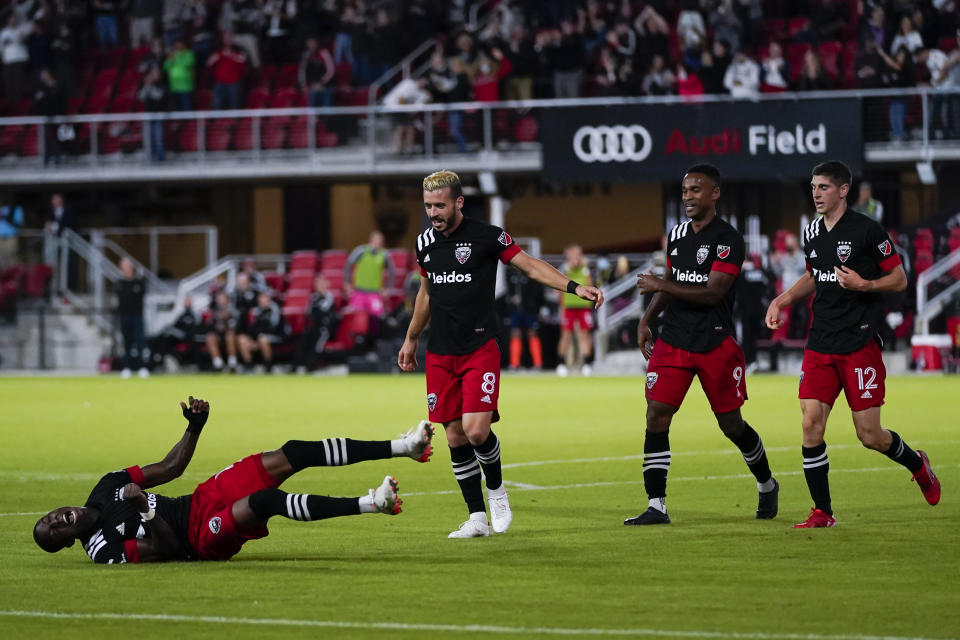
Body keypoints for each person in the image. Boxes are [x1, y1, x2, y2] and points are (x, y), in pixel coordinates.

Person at [398, 170, 604, 538]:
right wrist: (412, 337)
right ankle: (476, 519)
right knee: (455, 436)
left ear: (458, 202)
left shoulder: (488, 236)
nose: (433, 213)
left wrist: (574, 287)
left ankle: (496, 491)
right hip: (441, 352)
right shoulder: (425, 243)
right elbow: (426, 294)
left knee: (477, 432)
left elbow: (529, 264)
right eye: (428, 206)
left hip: (478, 347)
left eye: (440, 205)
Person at [32, 396, 436, 563]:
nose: (56, 519)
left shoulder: (104, 486)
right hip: (198, 539)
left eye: (50, 516)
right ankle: (371, 503)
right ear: (66, 542)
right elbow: (165, 550)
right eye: (53, 531)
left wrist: (195, 428)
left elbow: (169, 469)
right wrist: (143, 509)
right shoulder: (102, 549)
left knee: (292, 452)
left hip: (198, 500)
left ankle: (404, 447)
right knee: (263, 501)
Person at [764, 160, 941, 528]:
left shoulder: (867, 230)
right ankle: (822, 512)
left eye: (823, 187)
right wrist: (782, 300)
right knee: (811, 423)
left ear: (843, 190)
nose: (816, 193)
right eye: (813, 187)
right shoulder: (813, 231)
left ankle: (917, 464)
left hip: (858, 342)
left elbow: (899, 278)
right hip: (820, 342)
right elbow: (815, 275)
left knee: (870, 435)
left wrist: (866, 286)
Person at [630, 163, 779, 526]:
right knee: (656, 414)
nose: (688, 197)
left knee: (731, 425)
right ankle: (656, 505)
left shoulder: (729, 239)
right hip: (674, 339)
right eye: (684, 191)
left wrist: (660, 286)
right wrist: (647, 320)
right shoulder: (678, 233)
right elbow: (671, 278)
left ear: (715, 193)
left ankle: (766, 483)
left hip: (714, 342)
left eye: (696, 190)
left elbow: (713, 292)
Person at [556, 244, 595, 377]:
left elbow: (590, 284)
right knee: (566, 335)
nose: (577, 257)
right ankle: (561, 363)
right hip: (569, 306)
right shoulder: (565, 268)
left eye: (579, 254)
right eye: (575, 254)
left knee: (584, 335)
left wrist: (585, 267)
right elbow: (557, 286)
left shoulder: (585, 269)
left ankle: (586, 363)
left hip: (583, 307)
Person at [344, 230, 395, 320]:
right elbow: (348, 264)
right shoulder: (361, 251)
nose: (378, 242)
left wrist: (388, 288)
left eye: (380, 240)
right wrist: (347, 283)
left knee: (377, 318)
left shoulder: (384, 254)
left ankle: (375, 334)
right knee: (357, 319)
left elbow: (392, 271)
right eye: (376, 240)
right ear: (371, 240)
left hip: (374, 293)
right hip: (359, 292)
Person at [294, 274, 339, 373]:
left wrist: (316, 311)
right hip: (314, 325)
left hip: (325, 327)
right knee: (303, 341)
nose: (320, 286)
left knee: (317, 345)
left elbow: (323, 310)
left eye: (322, 283)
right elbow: (309, 312)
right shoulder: (313, 297)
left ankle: (312, 366)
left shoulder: (329, 296)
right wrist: (315, 311)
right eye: (318, 284)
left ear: (326, 285)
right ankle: (298, 366)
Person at [238, 290, 287, 372]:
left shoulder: (275, 311)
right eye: (261, 298)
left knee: (263, 339)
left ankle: (268, 365)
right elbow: (252, 328)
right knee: (242, 339)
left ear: (269, 299)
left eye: (265, 297)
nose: (262, 300)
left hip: (276, 336)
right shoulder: (256, 312)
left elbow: (273, 328)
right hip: (258, 337)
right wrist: (253, 340)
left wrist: (258, 339)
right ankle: (249, 365)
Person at [117, 258, 150, 379]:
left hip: (137, 317)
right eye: (124, 266)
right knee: (127, 343)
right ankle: (127, 367)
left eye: (128, 265)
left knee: (139, 341)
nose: (126, 268)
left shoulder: (139, 283)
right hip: (124, 317)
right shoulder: (119, 283)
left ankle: (142, 367)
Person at [205, 291, 239, 371]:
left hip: (231, 336)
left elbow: (236, 326)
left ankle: (232, 364)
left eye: (223, 298)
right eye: (219, 299)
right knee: (210, 338)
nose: (221, 300)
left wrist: (226, 321)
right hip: (218, 336)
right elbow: (209, 326)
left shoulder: (233, 311)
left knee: (230, 336)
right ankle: (218, 364)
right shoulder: (213, 312)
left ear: (227, 300)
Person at [0, 194, 24, 270]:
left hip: (11, 237)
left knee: (12, 258)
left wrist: (9, 218)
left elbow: (19, 224)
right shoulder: (2, 209)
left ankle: (12, 278)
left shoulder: (17, 209)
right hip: (1, 238)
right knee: (2, 259)